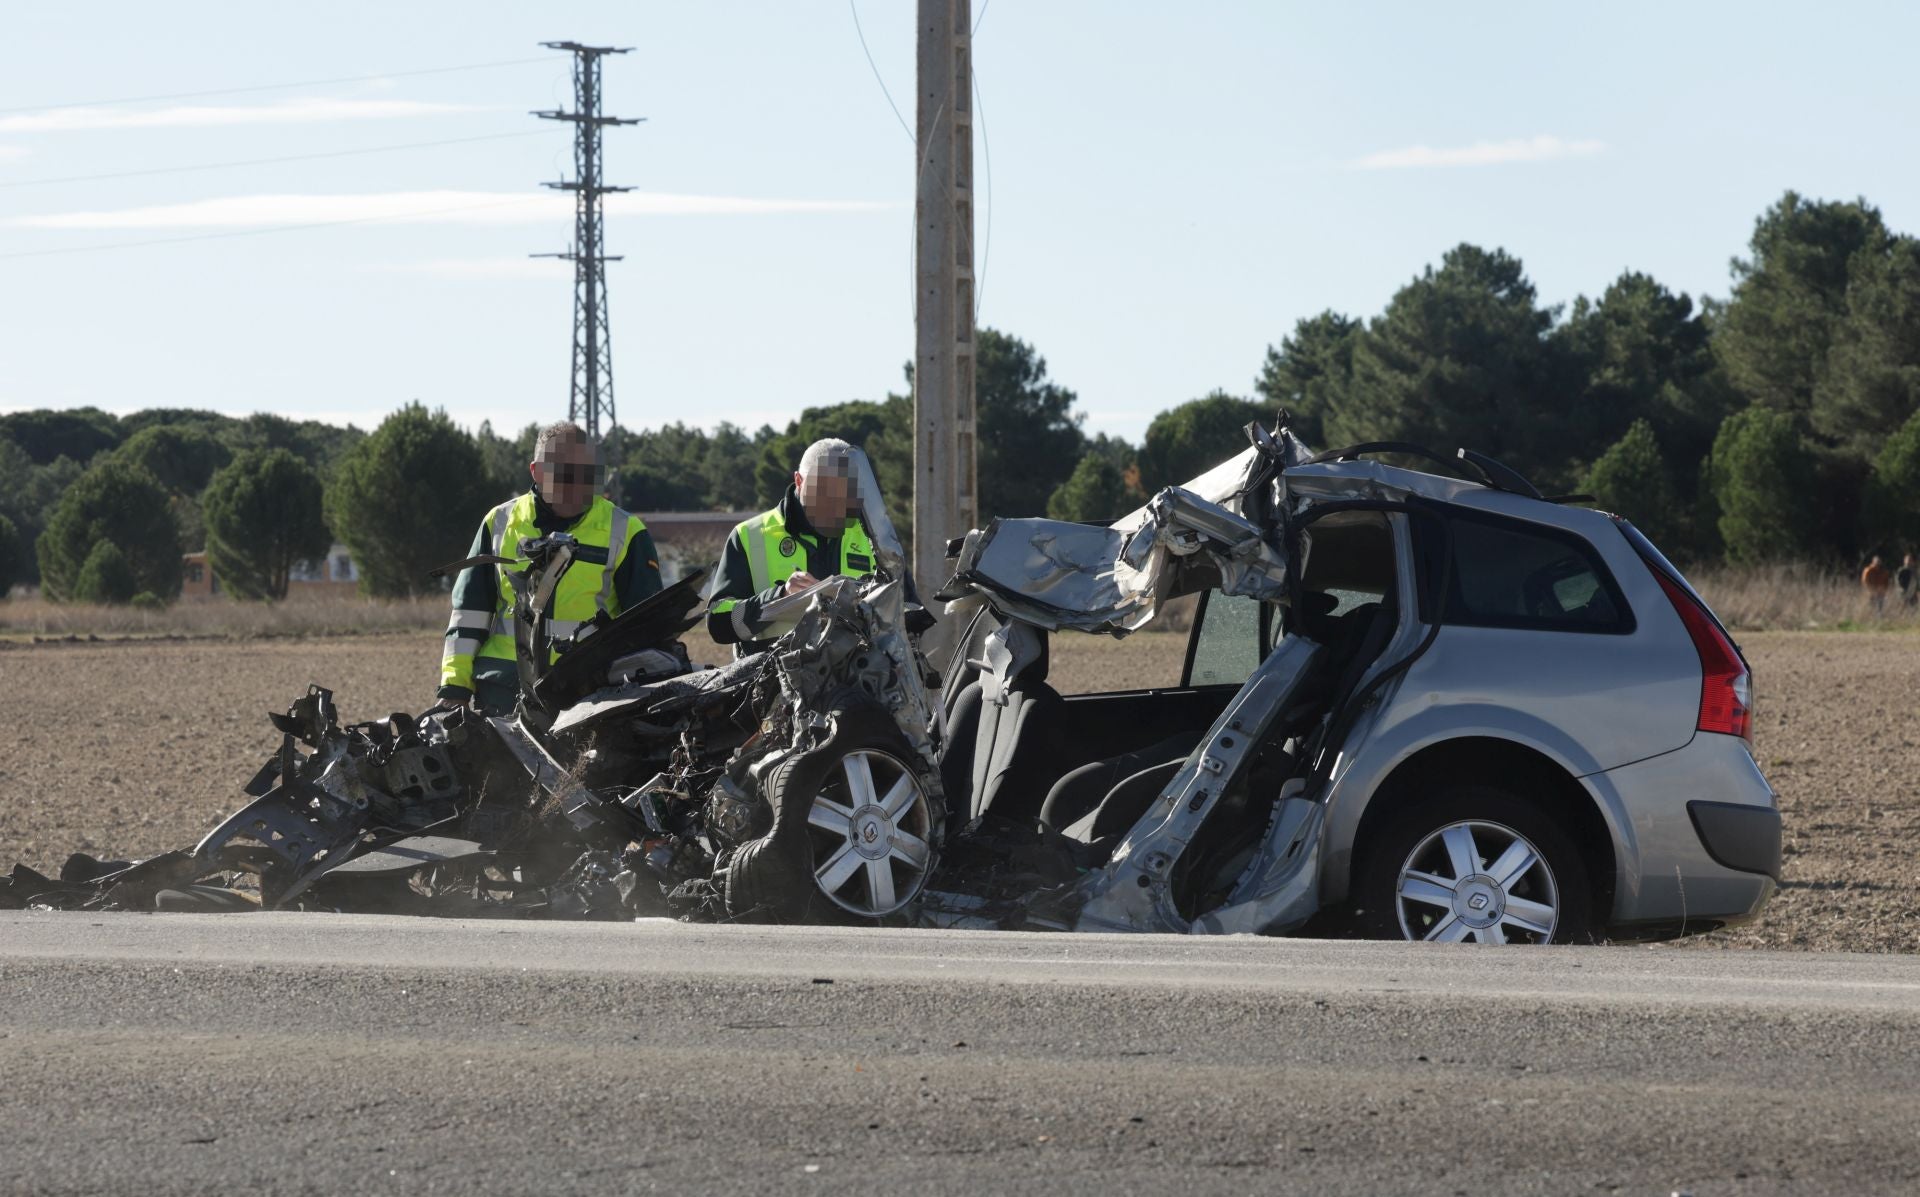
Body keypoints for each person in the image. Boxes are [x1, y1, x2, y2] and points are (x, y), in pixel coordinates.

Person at [437, 421, 662, 714]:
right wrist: (455, 687)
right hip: (504, 690)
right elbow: (469, 614)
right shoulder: (499, 522)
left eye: (588, 476)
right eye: (566, 476)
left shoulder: (627, 530)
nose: (579, 487)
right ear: (537, 472)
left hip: (590, 693)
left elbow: (648, 625)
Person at [706, 437, 924, 655]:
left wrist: (867, 607)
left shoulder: (874, 537)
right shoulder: (749, 536)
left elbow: (911, 611)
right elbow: (718, 622)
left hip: (860, 681)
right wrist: (779, 597)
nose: (833, 501)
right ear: (799, 481)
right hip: (774, 683)